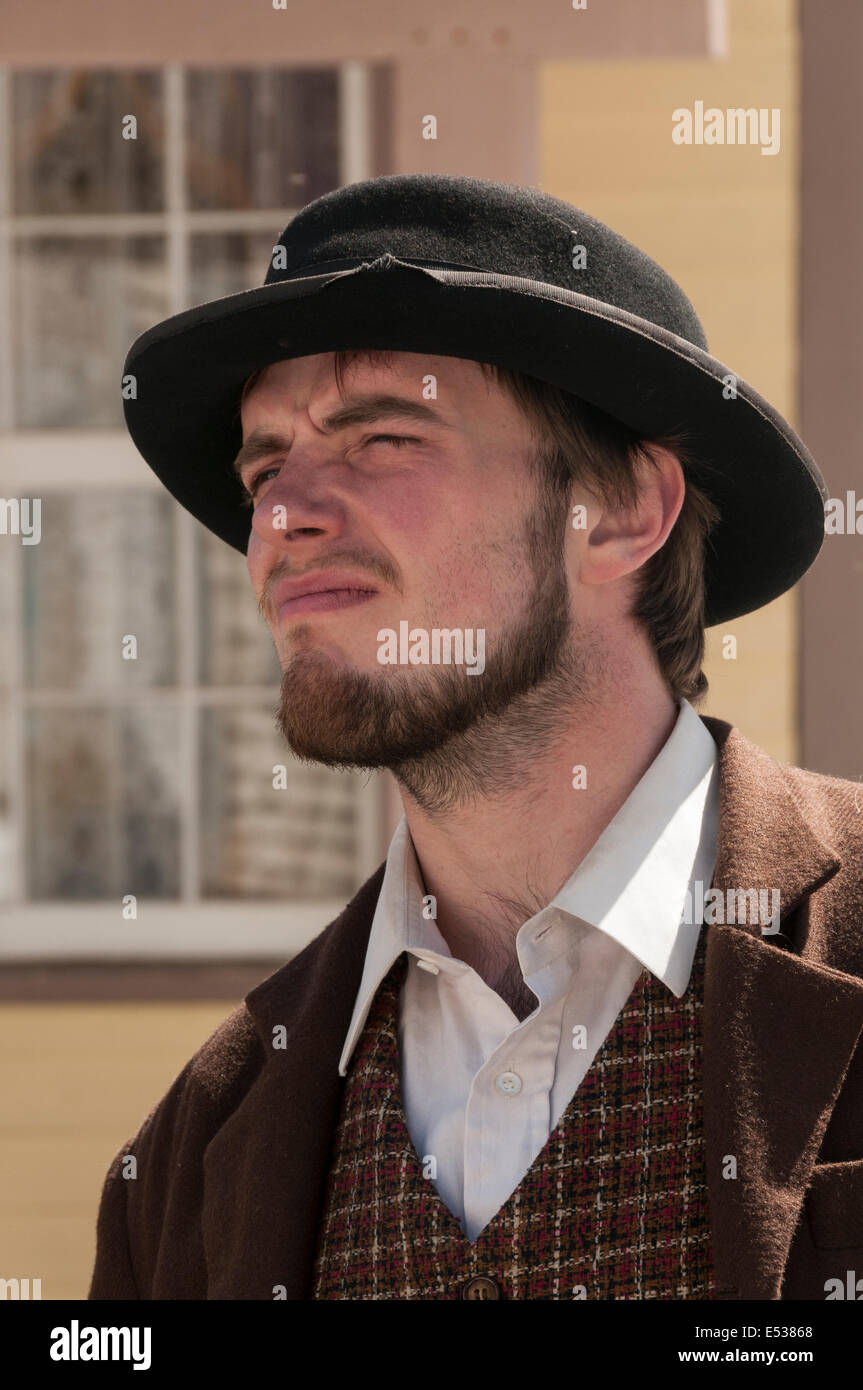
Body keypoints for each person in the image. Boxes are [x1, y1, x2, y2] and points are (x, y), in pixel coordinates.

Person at [89, 174, 863, 1301]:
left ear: (623, 513)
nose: (277, 515)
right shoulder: (193, 1152)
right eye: (264, 465)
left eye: (384, 437)